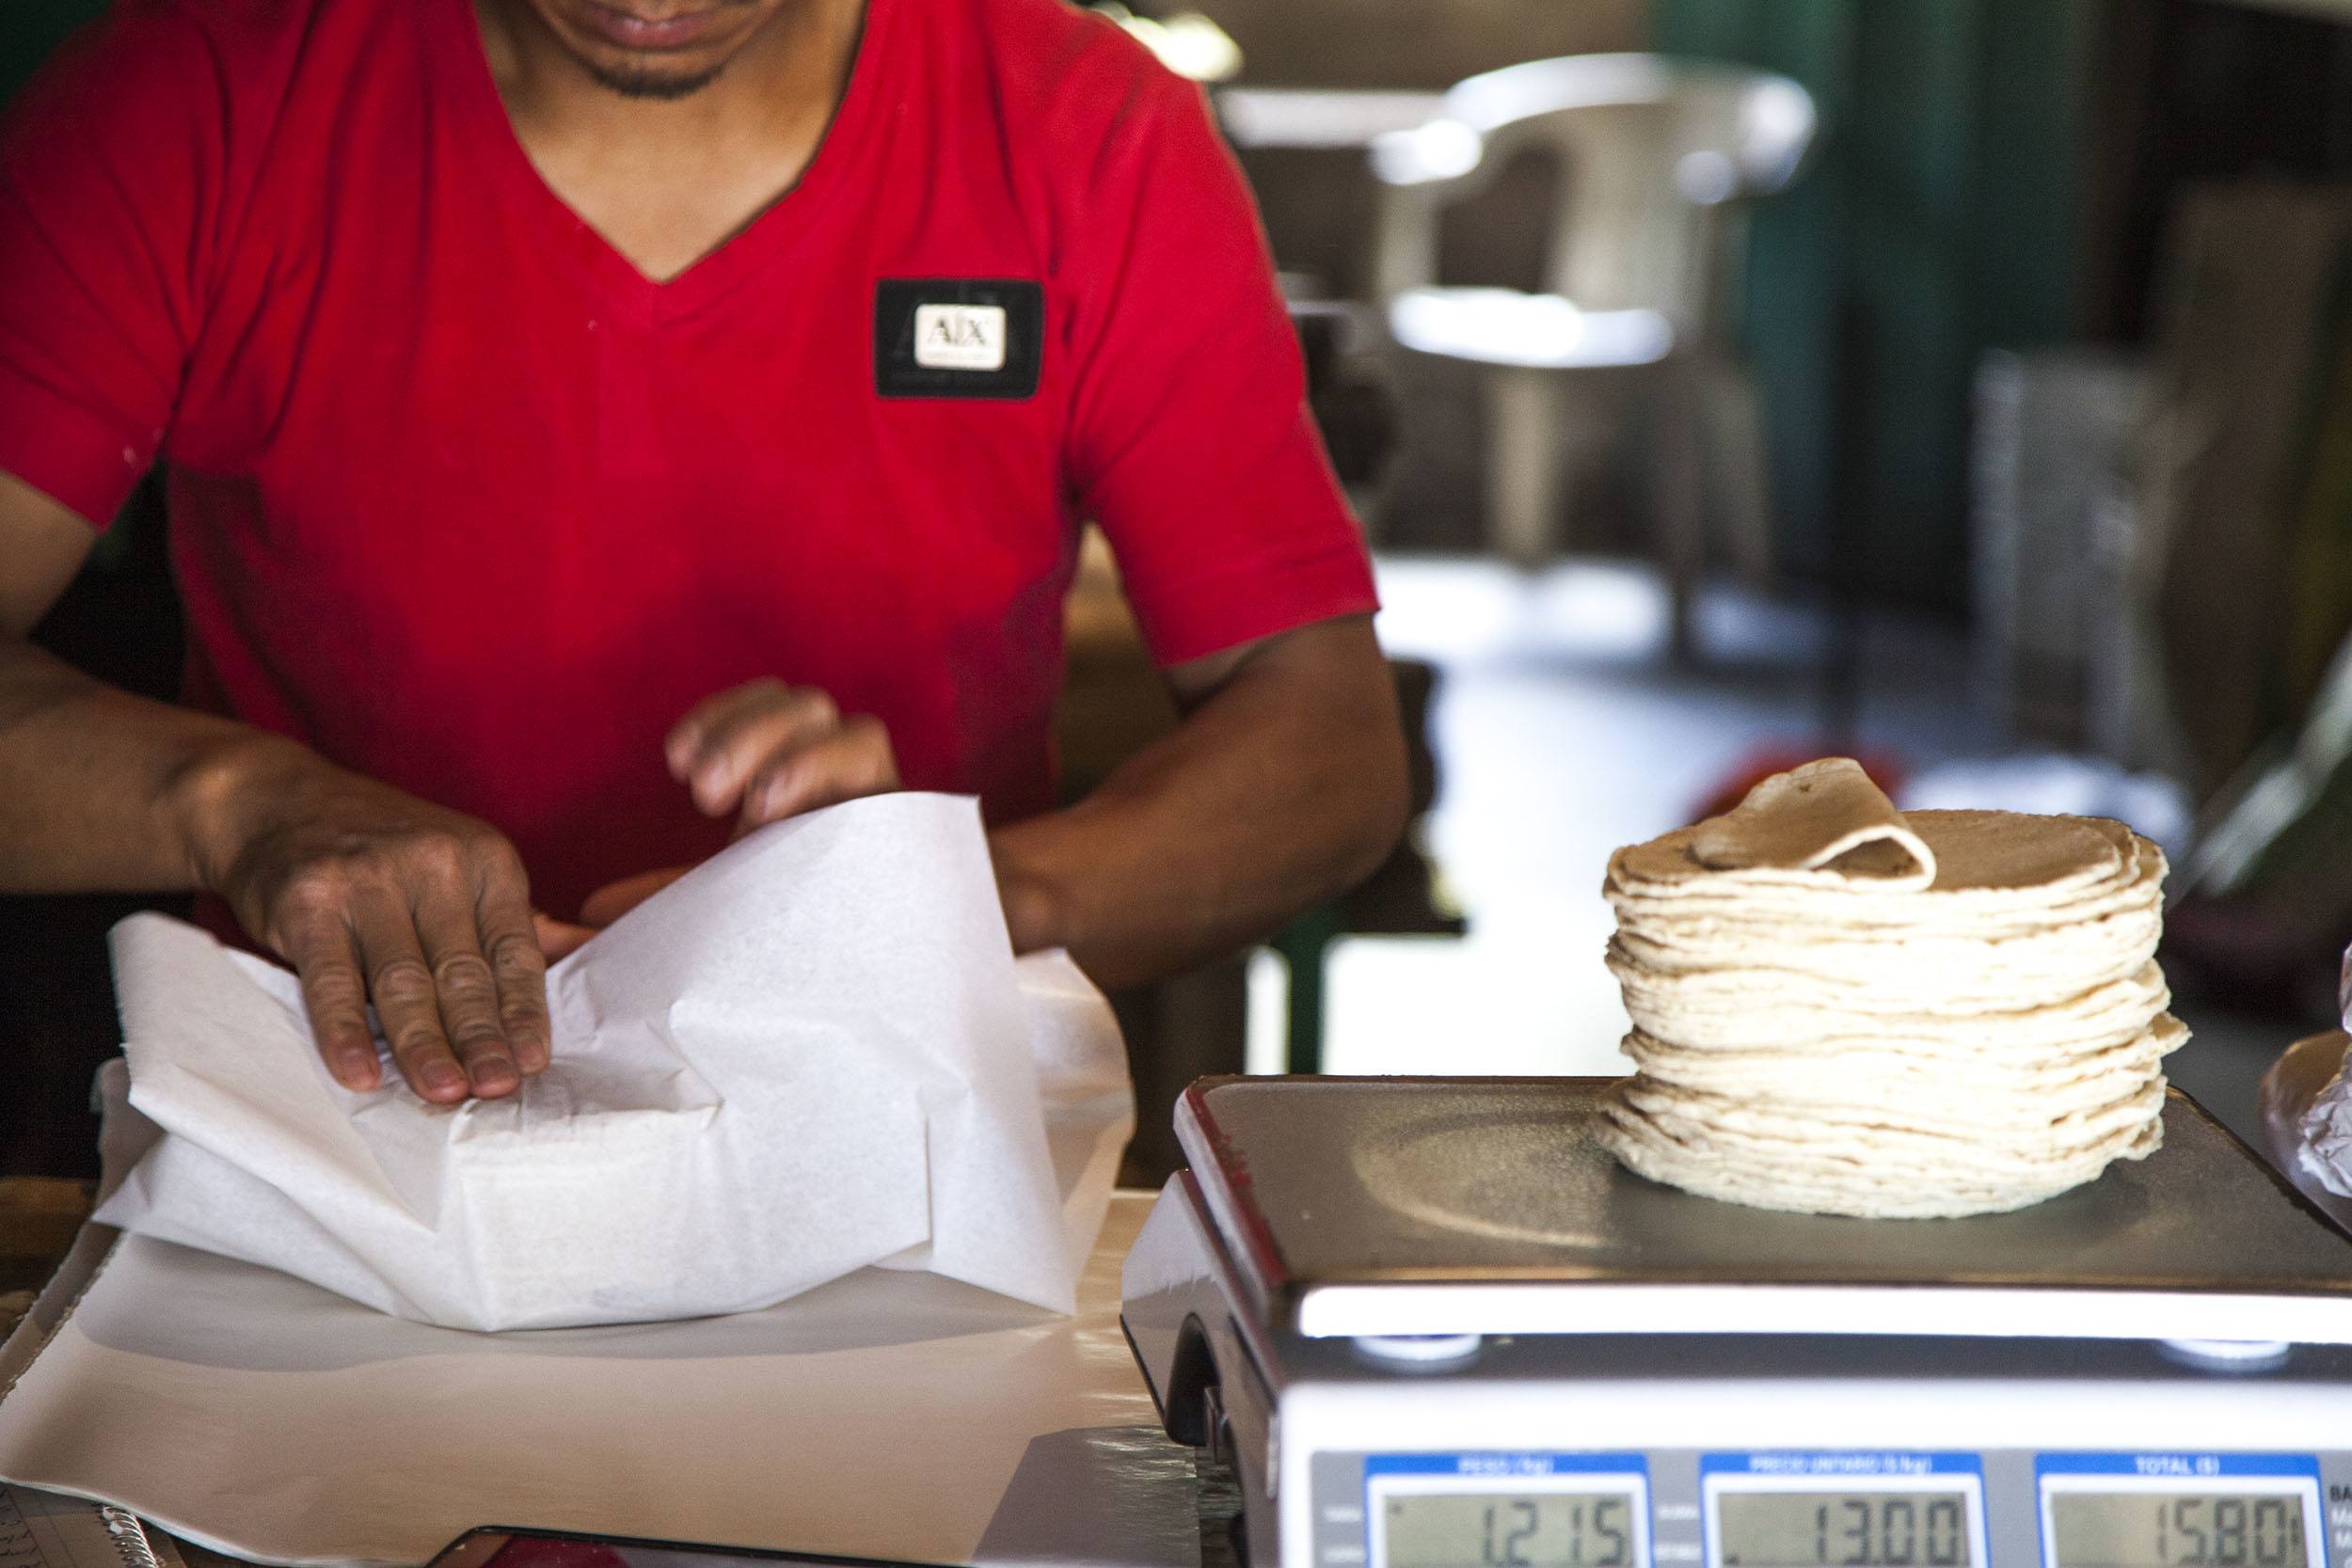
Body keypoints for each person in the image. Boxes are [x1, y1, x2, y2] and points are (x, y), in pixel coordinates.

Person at [0, 0, 1406, 1109]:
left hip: (890, 1153)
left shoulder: (1082, 129)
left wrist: (938, 905)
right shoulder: (203, 100)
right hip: (325, 1147)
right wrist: (240, 803)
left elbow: (1326, 743)